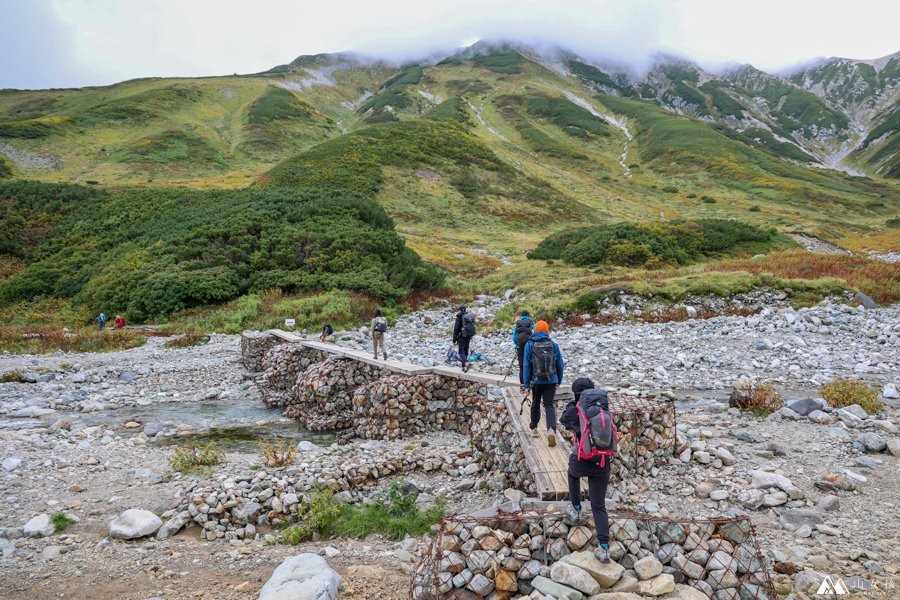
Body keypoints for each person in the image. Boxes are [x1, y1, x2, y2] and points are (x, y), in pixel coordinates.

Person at [560, 377, 612, 564]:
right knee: (599, 506)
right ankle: (604, 549)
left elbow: (563, 420)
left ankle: (576, 508)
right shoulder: (603, 408)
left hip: (582, 459)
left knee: (572, 474)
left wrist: (574, 405)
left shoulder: (576, 410)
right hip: (602, 462)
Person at [522, 320, 564, 446]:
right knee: (549, 405)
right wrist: (558, 380)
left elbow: (526, 366)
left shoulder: (529, 345)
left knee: (535, 402)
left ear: (534, 331)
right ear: (547, 331)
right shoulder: (553, 344)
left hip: (536, 381)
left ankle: (534, 429)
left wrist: (526, 385)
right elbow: (560, 365)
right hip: (551, 380)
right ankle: (551, 429)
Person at [510, 309, 535, 388]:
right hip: (529, 347)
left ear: (521, 315)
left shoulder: (518, 324)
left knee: (522, 366)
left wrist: (517, 344)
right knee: (530, 364)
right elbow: (536, 332)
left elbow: (514, 337)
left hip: (520, 347)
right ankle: (530, 383)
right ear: (528, 315)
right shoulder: (531, 323)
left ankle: (522, 384)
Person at [452, 305, 475, 372]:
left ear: (460, 310)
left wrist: (454, 339)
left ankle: (466, 362)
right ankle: (464, 367)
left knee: (461, 351)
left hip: (461, 336)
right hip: (468, 336)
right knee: (466, 350)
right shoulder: (468, 316)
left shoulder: (459, 317)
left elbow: (456, 329)